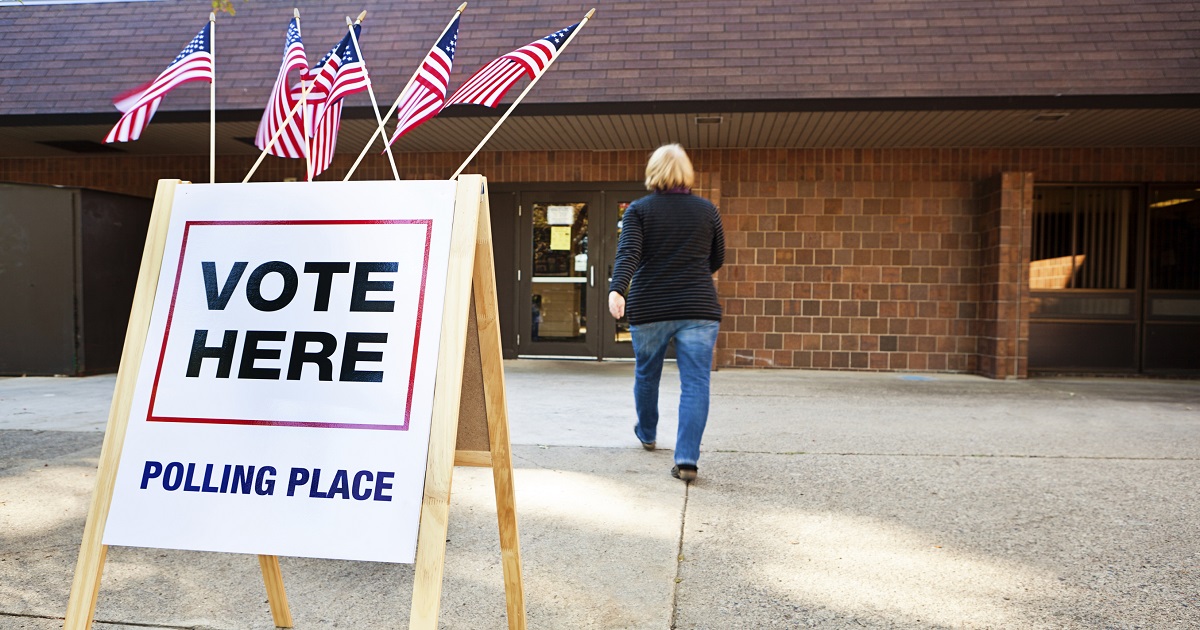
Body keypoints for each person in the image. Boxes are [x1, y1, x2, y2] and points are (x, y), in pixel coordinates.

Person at [608, 144, 724, 483]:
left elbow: (629, 251)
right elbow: (717, 259)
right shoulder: (707, 210)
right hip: (698, 307)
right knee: (696, 383)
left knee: (647, 374)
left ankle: (646, 432)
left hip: (651, 305)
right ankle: (687, 459)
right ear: (687, 172)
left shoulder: (640, 210)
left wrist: (618, 289)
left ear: (653, 171)